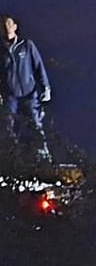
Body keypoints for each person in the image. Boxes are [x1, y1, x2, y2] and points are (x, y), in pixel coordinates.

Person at [2, 15, 53, 163]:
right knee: (10, 127)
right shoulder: (1, 50)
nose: (6, 28)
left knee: (35, 124)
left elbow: (38, 66)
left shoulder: (26, 45)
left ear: (15, 26)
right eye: (3, 26)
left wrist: (46, 87)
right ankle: (13, 159)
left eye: (9, 24)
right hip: (10, 96)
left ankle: (43, 157)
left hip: (29, 94)